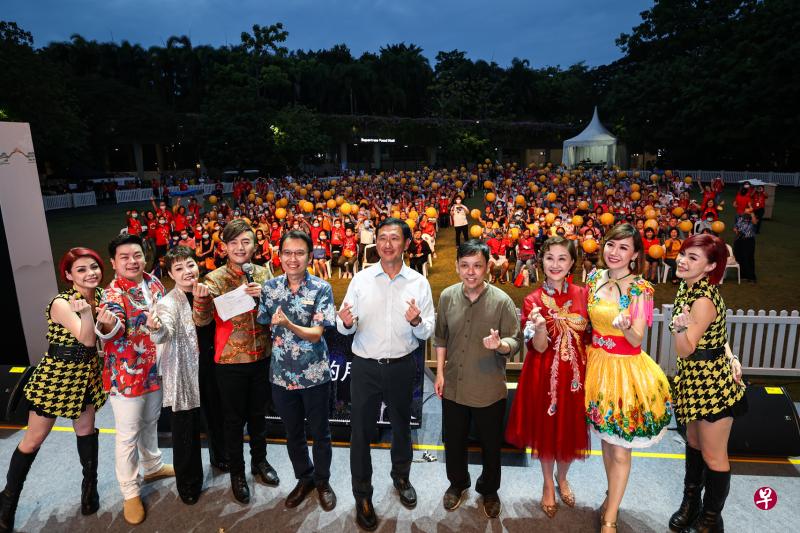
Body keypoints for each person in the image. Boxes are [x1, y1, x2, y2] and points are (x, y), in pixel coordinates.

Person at [336, 218, 435, 532]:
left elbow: (427, 330)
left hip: (402, 366)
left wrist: (418, 322)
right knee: (360, 434)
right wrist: (346, 323)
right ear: (375, 243)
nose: (388, 244)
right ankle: (362, 494)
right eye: (382, 238)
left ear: (406, 243)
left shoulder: (418, 283)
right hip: (365, 367)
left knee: (402, 427)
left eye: (395, 238)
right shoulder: (361, 280)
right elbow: (343, 324)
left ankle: (401, 477)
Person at [0, 249, 108, 533]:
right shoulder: (62, 303)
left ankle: (89, 490)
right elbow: (86, 338)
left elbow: (104, 338)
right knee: (33, 441)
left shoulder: (99, 297)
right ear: (69, 275)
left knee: (86, 431)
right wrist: (86, 314)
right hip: (57, 376)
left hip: (86, 375)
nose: (90, 274)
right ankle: (7, 502)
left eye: (94, 267)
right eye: (81, 270)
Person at [583, 223, 673, 533]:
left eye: (624, 248)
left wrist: (623, 326)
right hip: (597, 368)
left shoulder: (641, 289)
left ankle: (610, 517)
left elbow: (636, 340)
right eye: (611, 245)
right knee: (608, 442)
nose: (615, 253)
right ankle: (612, 497)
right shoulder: (593, 278)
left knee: (621, 448)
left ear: (635, 254)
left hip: (625, 371)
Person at [192, 219, 279, 505]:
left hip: (262, 356)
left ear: (255, 245)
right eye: (234, 243)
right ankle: (237, 474)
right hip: (230, 360)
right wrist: (201, 301)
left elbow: (276, 313)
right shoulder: (214, 279)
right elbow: (202, 321)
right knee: (233, 421)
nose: (240, 248)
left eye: (246, 242)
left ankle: (260, 463)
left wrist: (264, 295)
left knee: (258, 415)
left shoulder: (265, 272)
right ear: (224, 247)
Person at [433, 240, 520, 519]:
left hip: (488, 387)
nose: (471, 272)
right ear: (457, 267)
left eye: (477, 266)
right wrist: (440, 372)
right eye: (465, 265)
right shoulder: (447, 296)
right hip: (455, 385)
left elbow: (514, 340)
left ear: (487, 268)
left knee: (491, 444)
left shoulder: (502, 301)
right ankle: (457, 484)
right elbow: (441, 337)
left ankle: (489, 489)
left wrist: (500, 346)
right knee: (454, 441)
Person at [505, 236, 590, 519]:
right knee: (546, 431)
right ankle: (547, 484)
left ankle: (562, 478)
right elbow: (539, 346)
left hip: (576, 376)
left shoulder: (583, 295)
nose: (555, 264)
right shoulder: (531, 300)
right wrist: (540, 327)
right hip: (543, 375)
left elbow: (588, 337)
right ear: (541, 261)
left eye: (562, 258)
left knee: (569, 430)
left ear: (572, 263)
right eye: (550, 258)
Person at [668, 234, 746, 533]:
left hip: (712, 387)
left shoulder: (701, 299)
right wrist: (731, 354)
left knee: (714, 455)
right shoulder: (689, 288)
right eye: (684, 253)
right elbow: (719, 336)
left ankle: (712, 518)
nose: (683, 260)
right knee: (695, 444)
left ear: (710, 266)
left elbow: (685, 348)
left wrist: (677, 328)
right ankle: (692, 505)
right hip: (693, 380)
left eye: (693, 258)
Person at [95, 234, 174, 525]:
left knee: (151, 420)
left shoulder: (153, 282)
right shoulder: (113, 294)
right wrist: (106, 323)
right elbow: (111, 325)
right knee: (127, 435)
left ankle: (152, 465)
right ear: (114, 263)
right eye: (124, 257)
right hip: (127, 375)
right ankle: (129, 491)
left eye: (137, 255)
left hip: (154, 368)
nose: (132, 261)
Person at [256, 230, 337, 512]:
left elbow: (316, 334)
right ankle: (305, 478)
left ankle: (323, 481)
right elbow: (263, 322)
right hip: (281, 376)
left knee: (321, 433)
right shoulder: (269, 288)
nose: (293, 259)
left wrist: (289, 324)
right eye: (287, 253)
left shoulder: (321, 288)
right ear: (279, 256)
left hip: (313, 375)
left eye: (299, 253)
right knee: (293, 434)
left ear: (309, 255)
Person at [147, 246, 205, 505]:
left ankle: (222, 461)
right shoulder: (167, 302)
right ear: (170, 274)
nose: (186, 272)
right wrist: (156, 329)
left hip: (210, 369)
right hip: (183, 373)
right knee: (185, 431)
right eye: (178, 268)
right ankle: (188, 483)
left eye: (190, 265)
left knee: (214, 421)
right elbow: (164, 332)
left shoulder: (207, 291)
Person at [733, 206, 758, 282]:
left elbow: (755, 222)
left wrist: (752, 213)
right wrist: (736, 230)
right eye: (746, 211)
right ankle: (743, 275)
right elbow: (735, 227)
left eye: (749, 212)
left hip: (749, 240)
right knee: (740, 257)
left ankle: (751, 277)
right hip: (739, 240)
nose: (747, 213)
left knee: (749, 258)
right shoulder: (739, 218)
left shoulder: (752, 219)